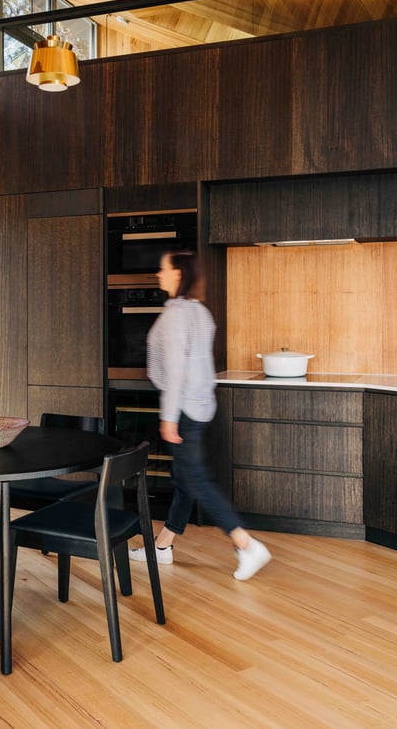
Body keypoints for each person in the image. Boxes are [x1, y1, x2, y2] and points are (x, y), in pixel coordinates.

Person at [129, 249, 271, 581]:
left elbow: (177, 370)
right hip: (200, 404)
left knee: (195, 479)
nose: (158, 274)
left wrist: (169, 416)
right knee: (184, 478)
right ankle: (163, 546)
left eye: (163, 269)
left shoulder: (178, 315)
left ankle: (247, 545)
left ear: (178, 274)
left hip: (183, 408)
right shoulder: (199, 312)